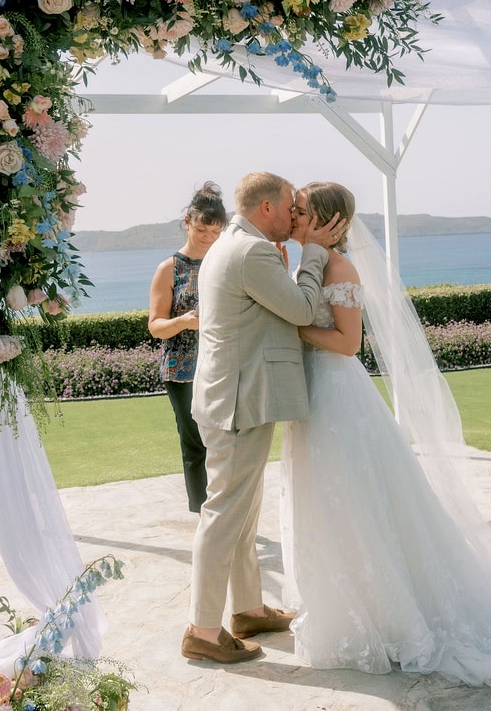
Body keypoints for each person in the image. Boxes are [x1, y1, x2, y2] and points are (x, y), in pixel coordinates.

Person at [281, 181, 491, 690]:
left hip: (338, 398)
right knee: (326, 502)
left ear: (326, 221)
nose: (293, 215)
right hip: (314, 396)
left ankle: (388, 614)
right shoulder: (309, 262)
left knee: (357, 502)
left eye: (302, 210)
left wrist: (286, 327)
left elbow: (348, 342)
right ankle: (344, 605)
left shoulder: (338, 268)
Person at [181, 172, 346, 665]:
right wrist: (314, 253)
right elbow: (300, 308)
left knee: (241, 512)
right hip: (237, 400)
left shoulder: (236, 244)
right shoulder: (251, 251)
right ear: (268, 208)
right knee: (224, 514)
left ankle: (248, 609)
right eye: (291, 207)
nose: (297, 216)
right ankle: (203, 631)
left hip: (234, 396)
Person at [148, 182, 228, 513]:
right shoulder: (170, 269)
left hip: (222, 364)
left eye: (214, 230)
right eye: (201, 229)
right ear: (187, 223)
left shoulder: (225, 264)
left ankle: (226, 510)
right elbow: (155, 326)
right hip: (181, 370)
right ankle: (204, 514)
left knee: (225, 442)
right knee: (194, 444)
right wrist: (183, 322)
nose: (208, 236)